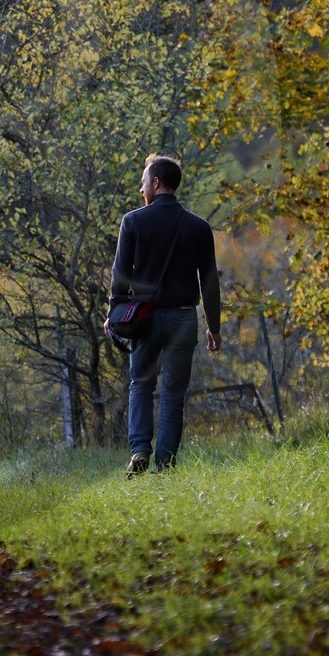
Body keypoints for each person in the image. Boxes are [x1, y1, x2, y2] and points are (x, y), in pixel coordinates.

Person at [108, 154, 221, 475]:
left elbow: (120, 276)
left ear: (156, 183)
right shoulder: (199, 227)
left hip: (143, 318)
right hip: (184, 319)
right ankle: (165, 465)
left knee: (141, 384)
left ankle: (140, 449)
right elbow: (210, 282)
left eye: (144, 181)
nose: (141, 187)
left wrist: (114, 312)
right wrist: (214, 326)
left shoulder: (133, 221)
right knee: (173, 395)